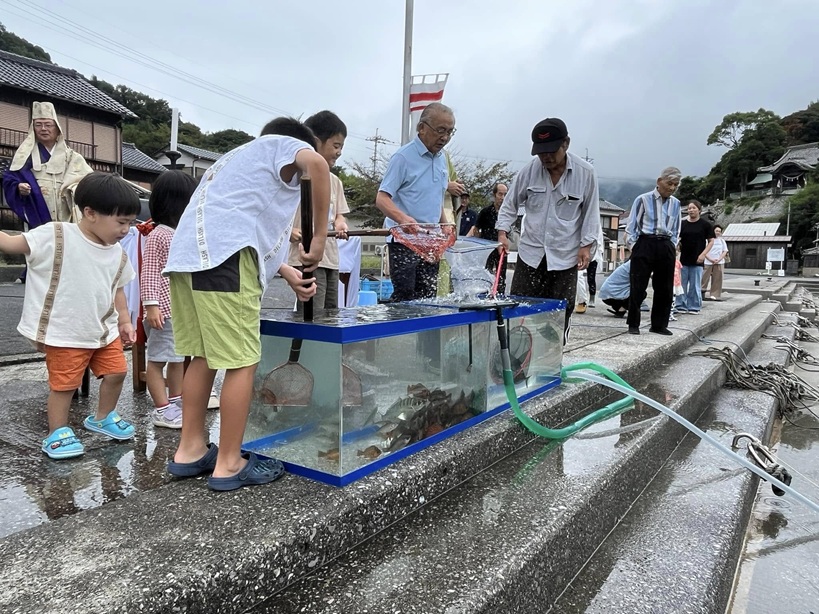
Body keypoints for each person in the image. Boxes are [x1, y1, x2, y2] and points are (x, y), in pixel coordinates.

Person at [163, 117, 330, 492]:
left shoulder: (235, 159)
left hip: (188, 259)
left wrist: (285, 271)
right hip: (224, 260)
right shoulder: (281, 146)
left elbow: (239, 221)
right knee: (241, 361)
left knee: (204, 355)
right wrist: (319, 237)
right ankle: (229, 461)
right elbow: (317, 165)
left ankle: (189, 449)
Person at [0, 172, 140, 459]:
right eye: (120, 222)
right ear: (90, 213)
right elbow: (14, 245)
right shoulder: (57, 234)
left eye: (130, 223)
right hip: (66, 331)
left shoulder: (117, 254)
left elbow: (118, 289)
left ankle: (103, 417)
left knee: (117, 372)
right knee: (65, 385)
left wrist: (125, 320)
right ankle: (57, 432)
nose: (126, 230)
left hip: (103, 329)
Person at [496, 118, 601, 341]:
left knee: (559, 313)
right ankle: (519, 362)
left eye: (552, 151)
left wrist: (586, 245)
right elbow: (510, 204)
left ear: (566, 144)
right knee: (520, 310)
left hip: (565, 255)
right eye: (541, 152)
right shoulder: (528, 172)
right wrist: (502, 233)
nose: (546, 157)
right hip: (531, 254)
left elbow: (591, 213)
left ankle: (552, 362)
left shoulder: (585, 173)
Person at [2, 101, 93, 282]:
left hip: (63, 207)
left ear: (57, 127)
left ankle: (65, 273)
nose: (43, 129)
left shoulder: (70, 156)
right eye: (38, 124)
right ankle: (34, 273)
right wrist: (19, 187)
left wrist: (72, 188)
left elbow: (87, 178)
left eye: (48, 124)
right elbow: (10, 177)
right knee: (38, 241)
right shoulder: (25, 153)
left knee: (65, 239)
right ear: (33, 127)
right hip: (37, 205)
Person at [375, 102, 456, 301]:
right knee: (405, 295)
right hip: (404, 240)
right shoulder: (403, 157)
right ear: (421, 128)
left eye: (449, 132)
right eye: (440, 130)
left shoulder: (442, 158)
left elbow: (435, 196)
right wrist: (402, 218)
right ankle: (396, 332)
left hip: (431, 239)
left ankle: (424, 333)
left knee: (427, 297)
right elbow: (382, 198)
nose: (444, 137)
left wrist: (444, 223)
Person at [140, 170, 199, 429]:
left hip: (178, 311)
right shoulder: (159, 234)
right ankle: (162, 409)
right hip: (163, 311)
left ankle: (175, 401)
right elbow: (150, 272)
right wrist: (151, 306)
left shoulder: (175, 232)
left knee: (176, 359)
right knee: (157, 361)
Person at [286, 110, 349, 309]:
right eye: (336, 145)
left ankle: (324, 342)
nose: (339, 152)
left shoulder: (335, 181)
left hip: (330, 257)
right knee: (312, 312)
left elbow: (338, 214)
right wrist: (289, 231)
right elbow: (279, 217)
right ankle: (304, 341)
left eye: (341, 147)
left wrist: (340, 223)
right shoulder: (296, 178)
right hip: (305, 255)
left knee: (331, 311)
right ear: (314, 142)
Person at [624, 167, 682, 336]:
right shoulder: (642, 199)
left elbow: (676, 228)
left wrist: (672, 245)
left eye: (675, 185)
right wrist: (634, 247)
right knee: (638, 285)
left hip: (666, 243)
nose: (672, 188)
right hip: (645, 242)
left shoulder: (676, 203)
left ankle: (659, 324)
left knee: (664, 287)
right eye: (669, 183)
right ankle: (633, 323)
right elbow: (631, 227)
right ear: (659, 181)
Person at [676, 200, 714, 314]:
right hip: (683, 258)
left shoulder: (705, 225)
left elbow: (711, 241)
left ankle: (694, 306)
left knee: (694, 284)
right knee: (681, 283)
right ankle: (680, 305)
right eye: (689, 208)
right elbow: (678, 239)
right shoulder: (682, 224)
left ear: (699, 210)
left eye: (693, 208)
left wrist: (703, 255)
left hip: (698, 258)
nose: (691, 210)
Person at [470, 182, 509, 294]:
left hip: (501, 248)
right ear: (494, 195)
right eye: (500, 194)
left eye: (505, 195)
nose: (502, 198)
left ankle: (500, 294)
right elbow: (476, 229)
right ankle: (484, 293)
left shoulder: (507, 213)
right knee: (486, 273)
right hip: (487, 248)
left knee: (501, 275)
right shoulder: (485, 212)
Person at [701, 225, 729, 301]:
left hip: (719, 262)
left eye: (719, 231)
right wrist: (711, 259)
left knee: (717, 279)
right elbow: (704, 251)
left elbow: (725, 251)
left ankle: (715, 295)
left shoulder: (722, 241)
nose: (718, 233)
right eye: (716, 231)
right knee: (704, 278)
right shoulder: (708, 240)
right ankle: (701, 292)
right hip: (708, 262)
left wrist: (719, 259)